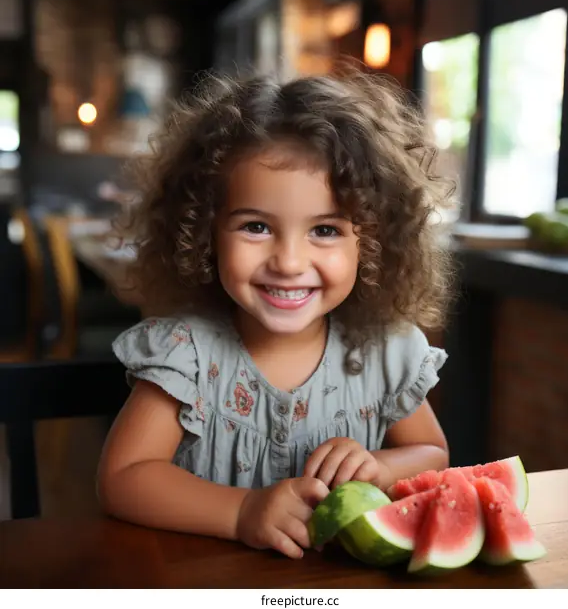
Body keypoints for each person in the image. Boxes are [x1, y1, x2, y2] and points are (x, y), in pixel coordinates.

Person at [97, 66, 456, 560]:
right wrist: (241, 511)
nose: (288, 262)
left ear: (369, 244)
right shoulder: (186, 355)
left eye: (325, 230)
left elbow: (433, 454)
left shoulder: (385, 351)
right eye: (256, 227)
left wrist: (379, 466)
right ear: (204, 233)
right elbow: (122, 478)